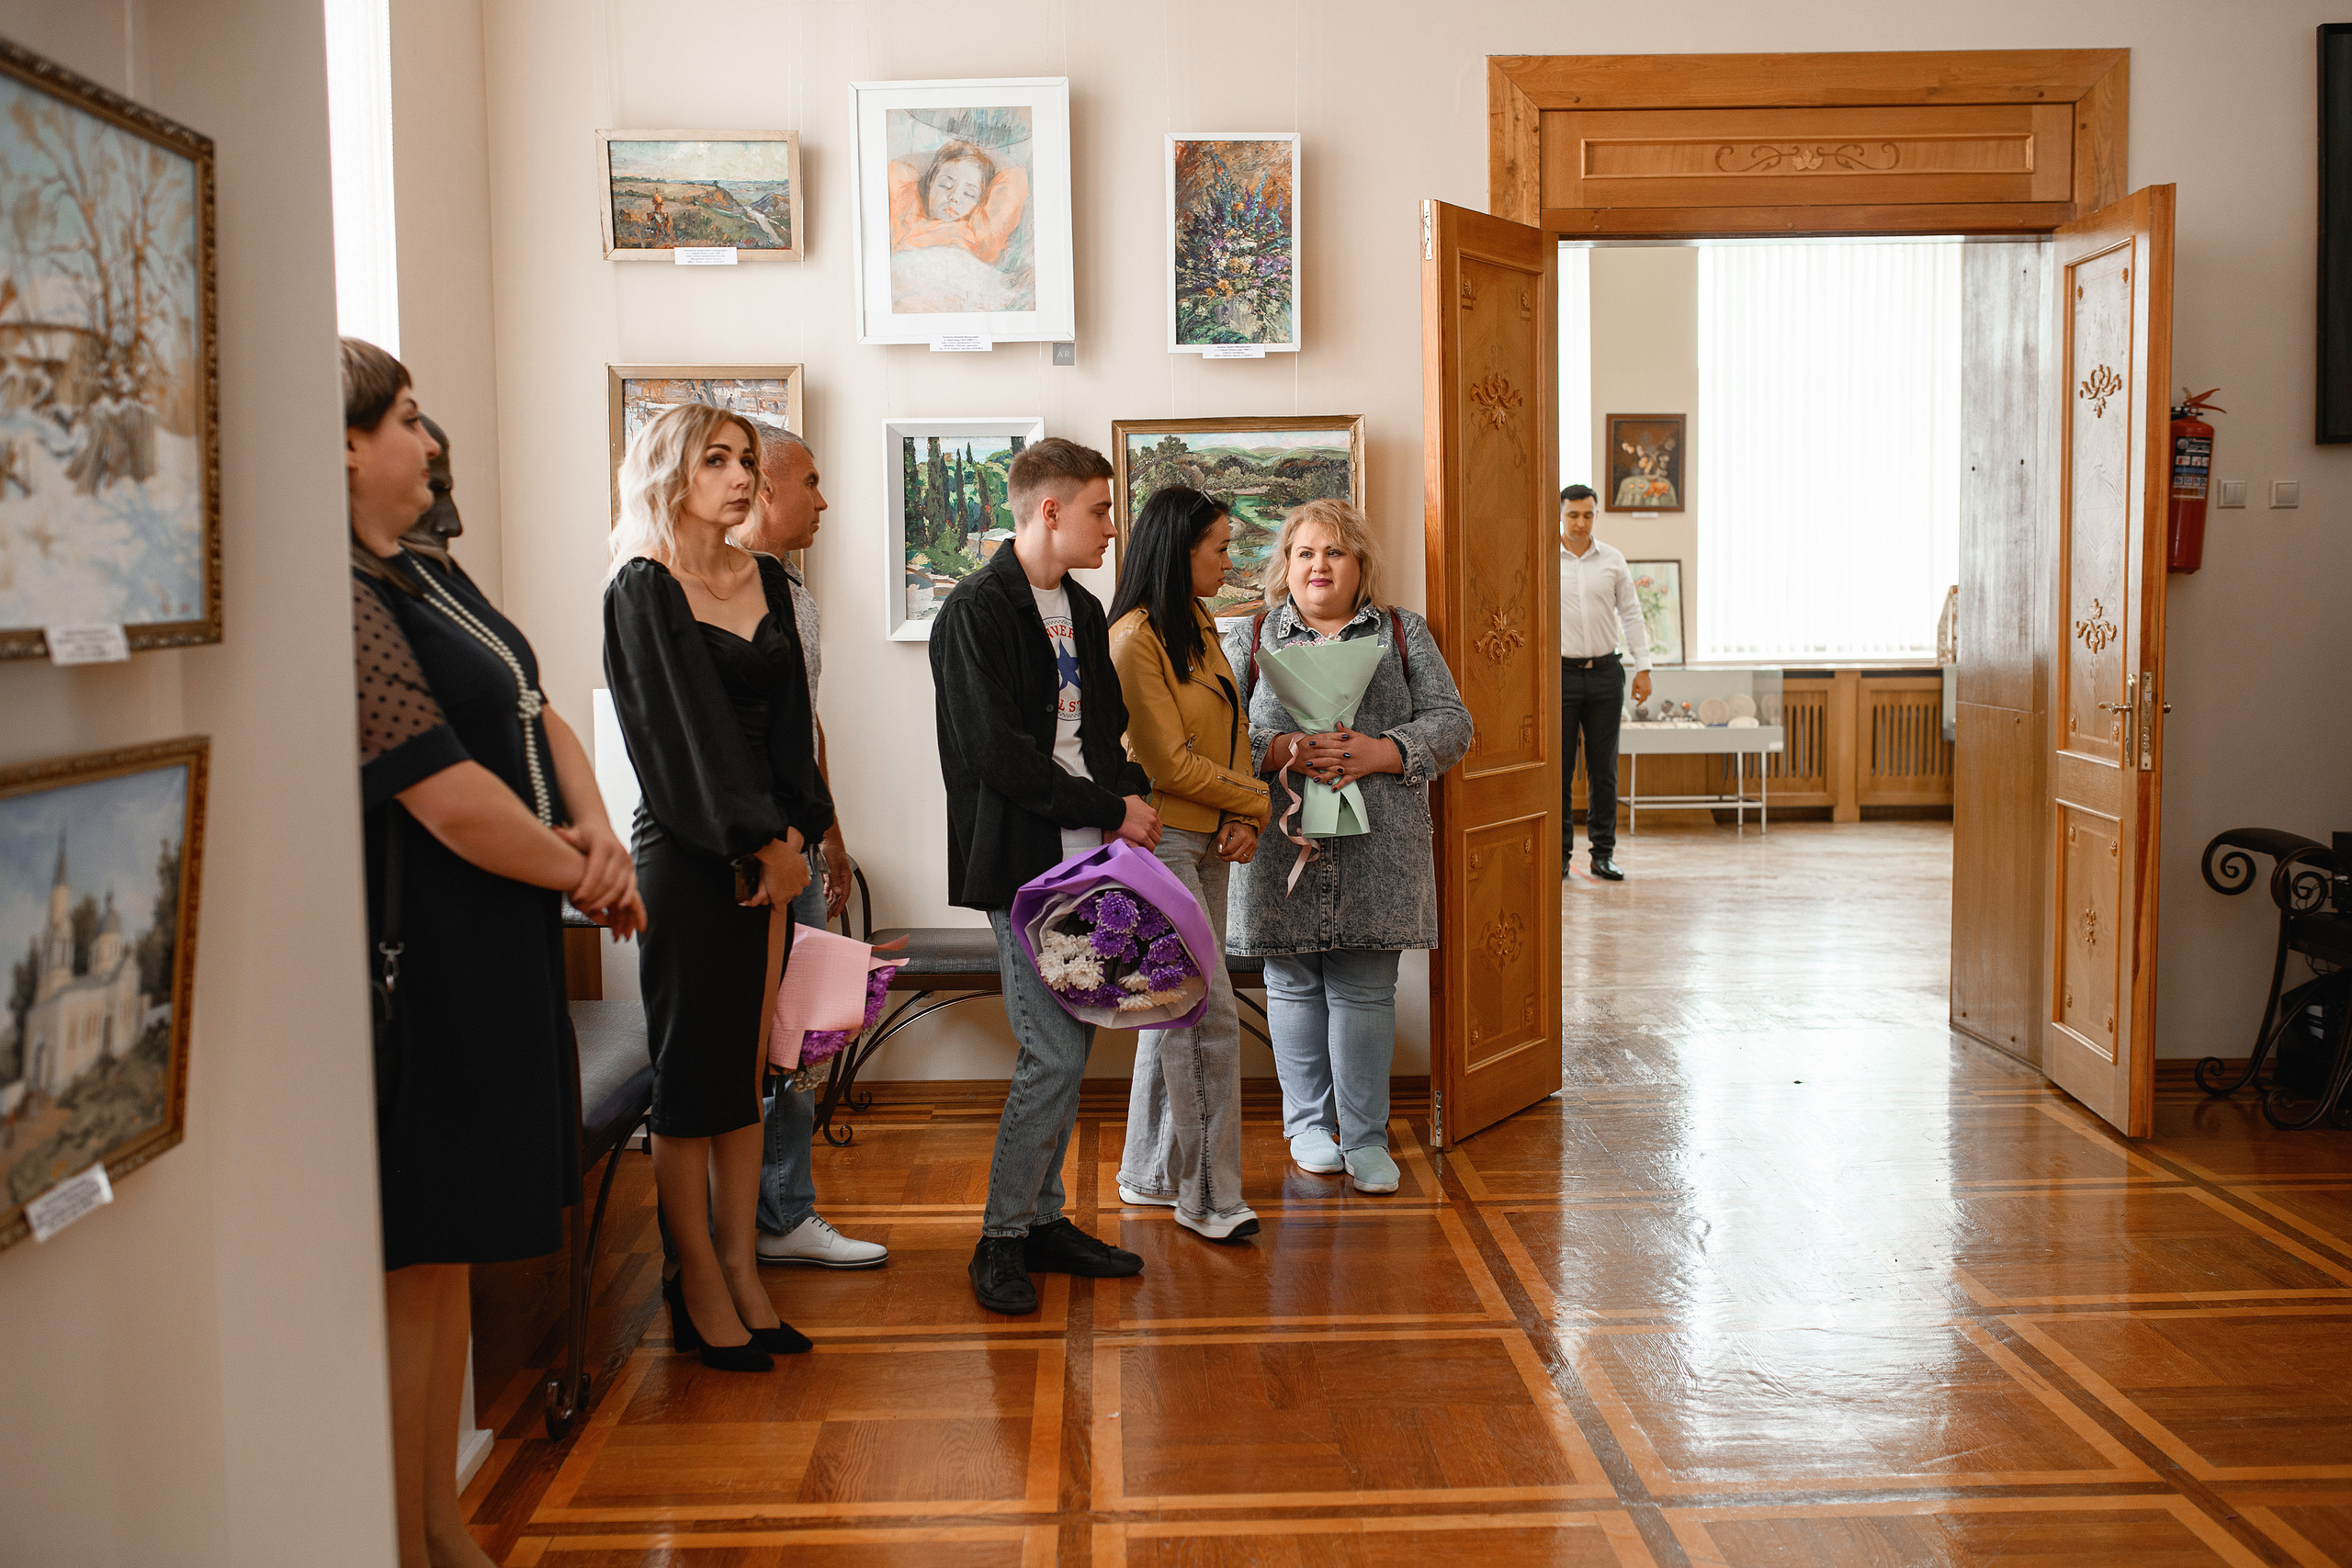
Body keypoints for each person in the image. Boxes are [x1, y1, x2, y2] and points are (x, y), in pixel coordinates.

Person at [345, 338, 643, 1568]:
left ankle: (435, 1517)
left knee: (440, 1254)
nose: (430, 441)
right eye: (407, 419)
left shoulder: (425, 573)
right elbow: (440, 793)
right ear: (343, 442)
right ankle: (408, 1525)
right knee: (413, 1244)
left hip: (505, 920)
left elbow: (540, 709)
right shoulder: (342, 594)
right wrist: (581, 867)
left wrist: (592, 831)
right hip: (432, 939)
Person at [603, 403, 833, 1371]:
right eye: (717, 460)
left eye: (746, 460)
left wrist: (796, 838)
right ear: (670, 471)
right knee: (695, 1087)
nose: (741, 476)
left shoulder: (768, 579)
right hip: (691, 855)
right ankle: (694, 1279)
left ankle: (744, 1270)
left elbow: (791, 729)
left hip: (769, 849)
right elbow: (674, 744)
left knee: (752, 1078)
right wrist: (753, 846)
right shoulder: (641, 588)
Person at [929, 436, 1160, 1314]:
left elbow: (1102, 729)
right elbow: (994, 754)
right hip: (1024, 862)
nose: (1113, 527)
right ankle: (1000, 1238)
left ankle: (1042, 1222)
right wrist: (1110, 807)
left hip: (1093, 859)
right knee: (1053, 1051)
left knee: (1073, 1043)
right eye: (1101, 510)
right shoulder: (975, 611)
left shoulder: (1086, 606)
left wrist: (1129, 796)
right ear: (1051, 511)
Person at [1227, 500, 1472, 1195]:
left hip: (1379, 846)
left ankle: (1365, 1138)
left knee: (1367, 991)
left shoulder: (1403, 632)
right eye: (1305, 552)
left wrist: (1385, 750)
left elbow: (1454, 723)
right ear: (1285, 564)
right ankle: (1307, 1127)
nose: (1319, 565)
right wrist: (1280, 749)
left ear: (1360, 564)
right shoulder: (1249, 637)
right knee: (1292, 983)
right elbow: (1210, 734)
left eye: (1335, 552)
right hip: (1282, 842)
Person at [729, 423, 888, 1270]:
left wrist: (829, 831)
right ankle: (739, 1223)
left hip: (794, 840)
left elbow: (805, 728)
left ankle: (784, 1212)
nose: (823, 501)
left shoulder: (799, 598)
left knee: (791, 1035)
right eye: (813, 482)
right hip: (737, 854)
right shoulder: (696, 595)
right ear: (764, 487)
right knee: (745, 1049)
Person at [1105, 486, 1272, 1243]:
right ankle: (1207, 1197)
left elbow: (1224, 738)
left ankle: (1146, 1172)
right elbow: (1167, 763)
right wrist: (1260, 799)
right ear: (1182, 551)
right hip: (1162, 838)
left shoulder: (1199, 624)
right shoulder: (1134, 636)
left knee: (1173, 1010)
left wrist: (1239, 812)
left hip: (1208, 838)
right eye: (1220, 547)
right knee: (1202, 1017)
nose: (1230, 560)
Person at [1557, 483, 1653, 882]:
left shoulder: (1613, 560)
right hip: (1559, 675)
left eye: (1588, 514)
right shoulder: (1546, 557)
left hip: (1605, 676)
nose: (1581, 522)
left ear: (1596, 515)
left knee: (1604, 769)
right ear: (1561, 515)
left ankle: (1603, 854)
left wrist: (1643, 667)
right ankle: (1558, 855)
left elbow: (1631, 614)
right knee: (1559, 770)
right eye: (1574, 514)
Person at [888, 136, 1032, 312]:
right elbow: (898, 168)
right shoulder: (907, 225)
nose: (954, 197)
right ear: (930, 183)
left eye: (969, 194)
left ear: (982, 203)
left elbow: (1016, 177)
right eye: (945, 185)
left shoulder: (980, 236)